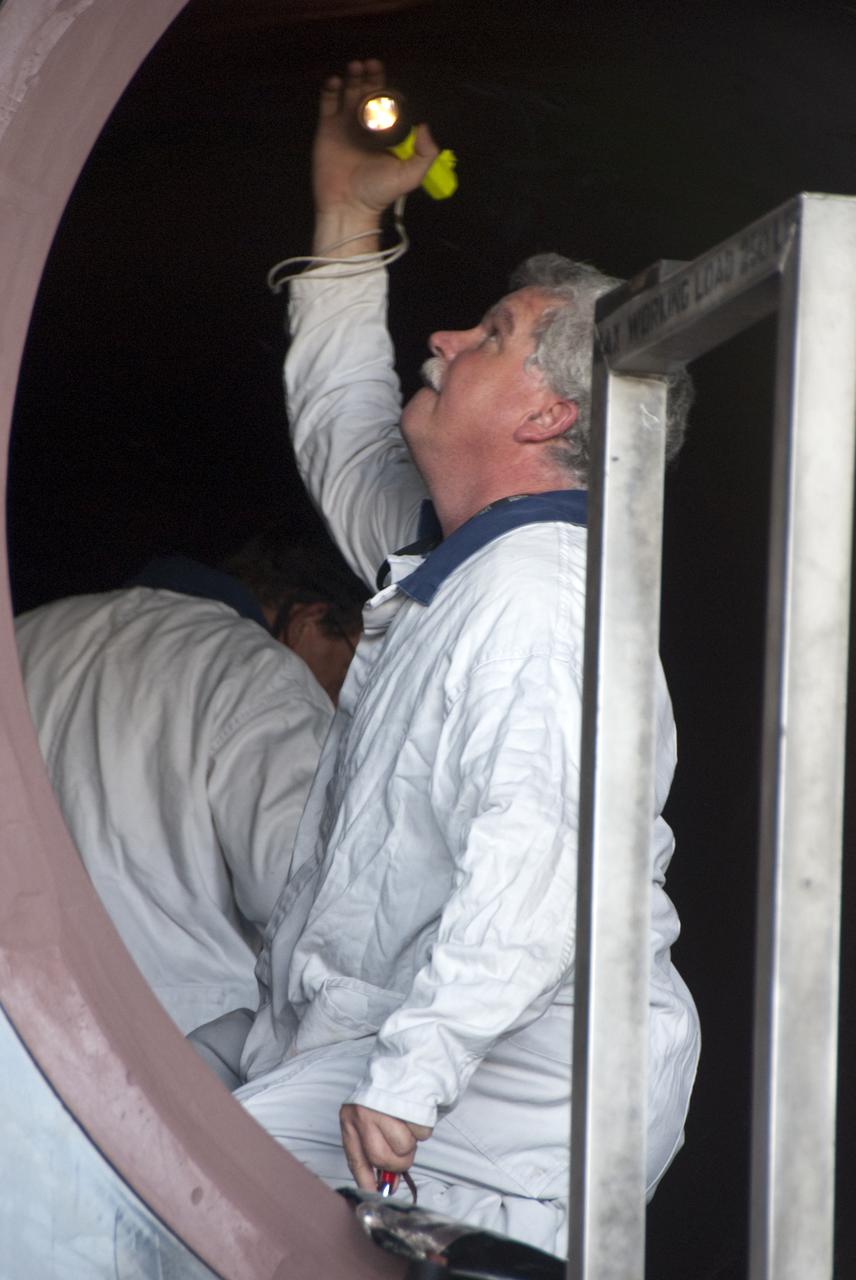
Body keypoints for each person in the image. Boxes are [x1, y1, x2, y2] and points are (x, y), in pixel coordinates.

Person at [230, 60, 700, 1254]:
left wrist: (415, 1074)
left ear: (548, 416)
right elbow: (347, 436)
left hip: (497, 1092)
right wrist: (346, 219)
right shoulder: (472, 564)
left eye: (487, 335)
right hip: (414, 1069)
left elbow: (543, 850)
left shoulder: (540, 598)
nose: (443, 336)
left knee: (141, 1194)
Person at [15, 532, 365, 1034]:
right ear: (309, 622)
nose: (341, 703)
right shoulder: (258, 671)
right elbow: (298, 893)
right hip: (160, 1050)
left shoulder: (24, 637)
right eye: (350, 670)